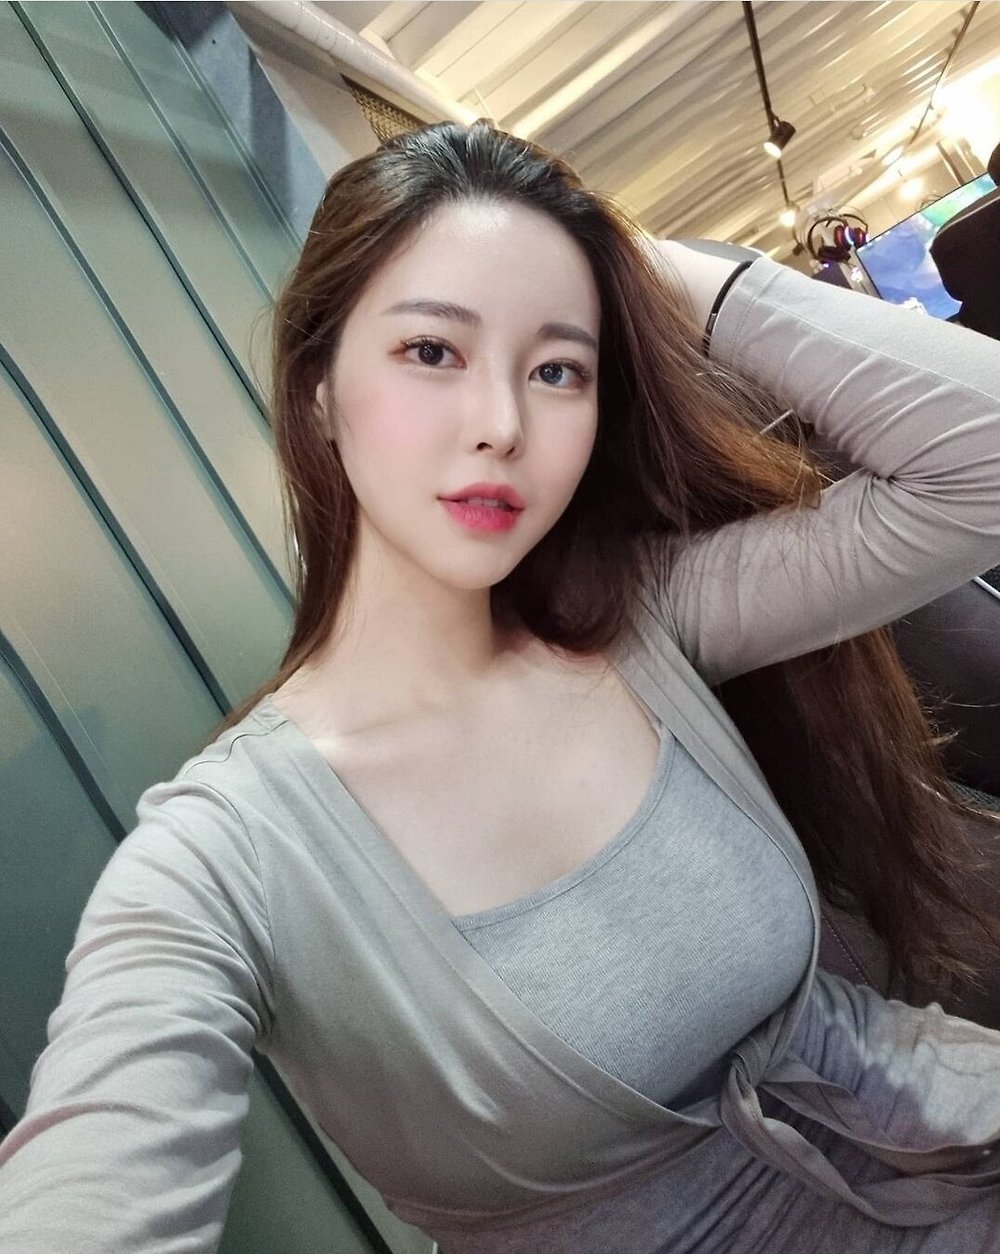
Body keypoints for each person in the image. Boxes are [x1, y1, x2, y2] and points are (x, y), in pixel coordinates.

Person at [2, 119, 1000, 1253]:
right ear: (317, 391)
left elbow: (980, 463)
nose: (502, 426)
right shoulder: (223, 859)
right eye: (433, 351)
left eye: (557, 368)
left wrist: (640, 266)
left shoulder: (638, 627)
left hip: (952, 1142)